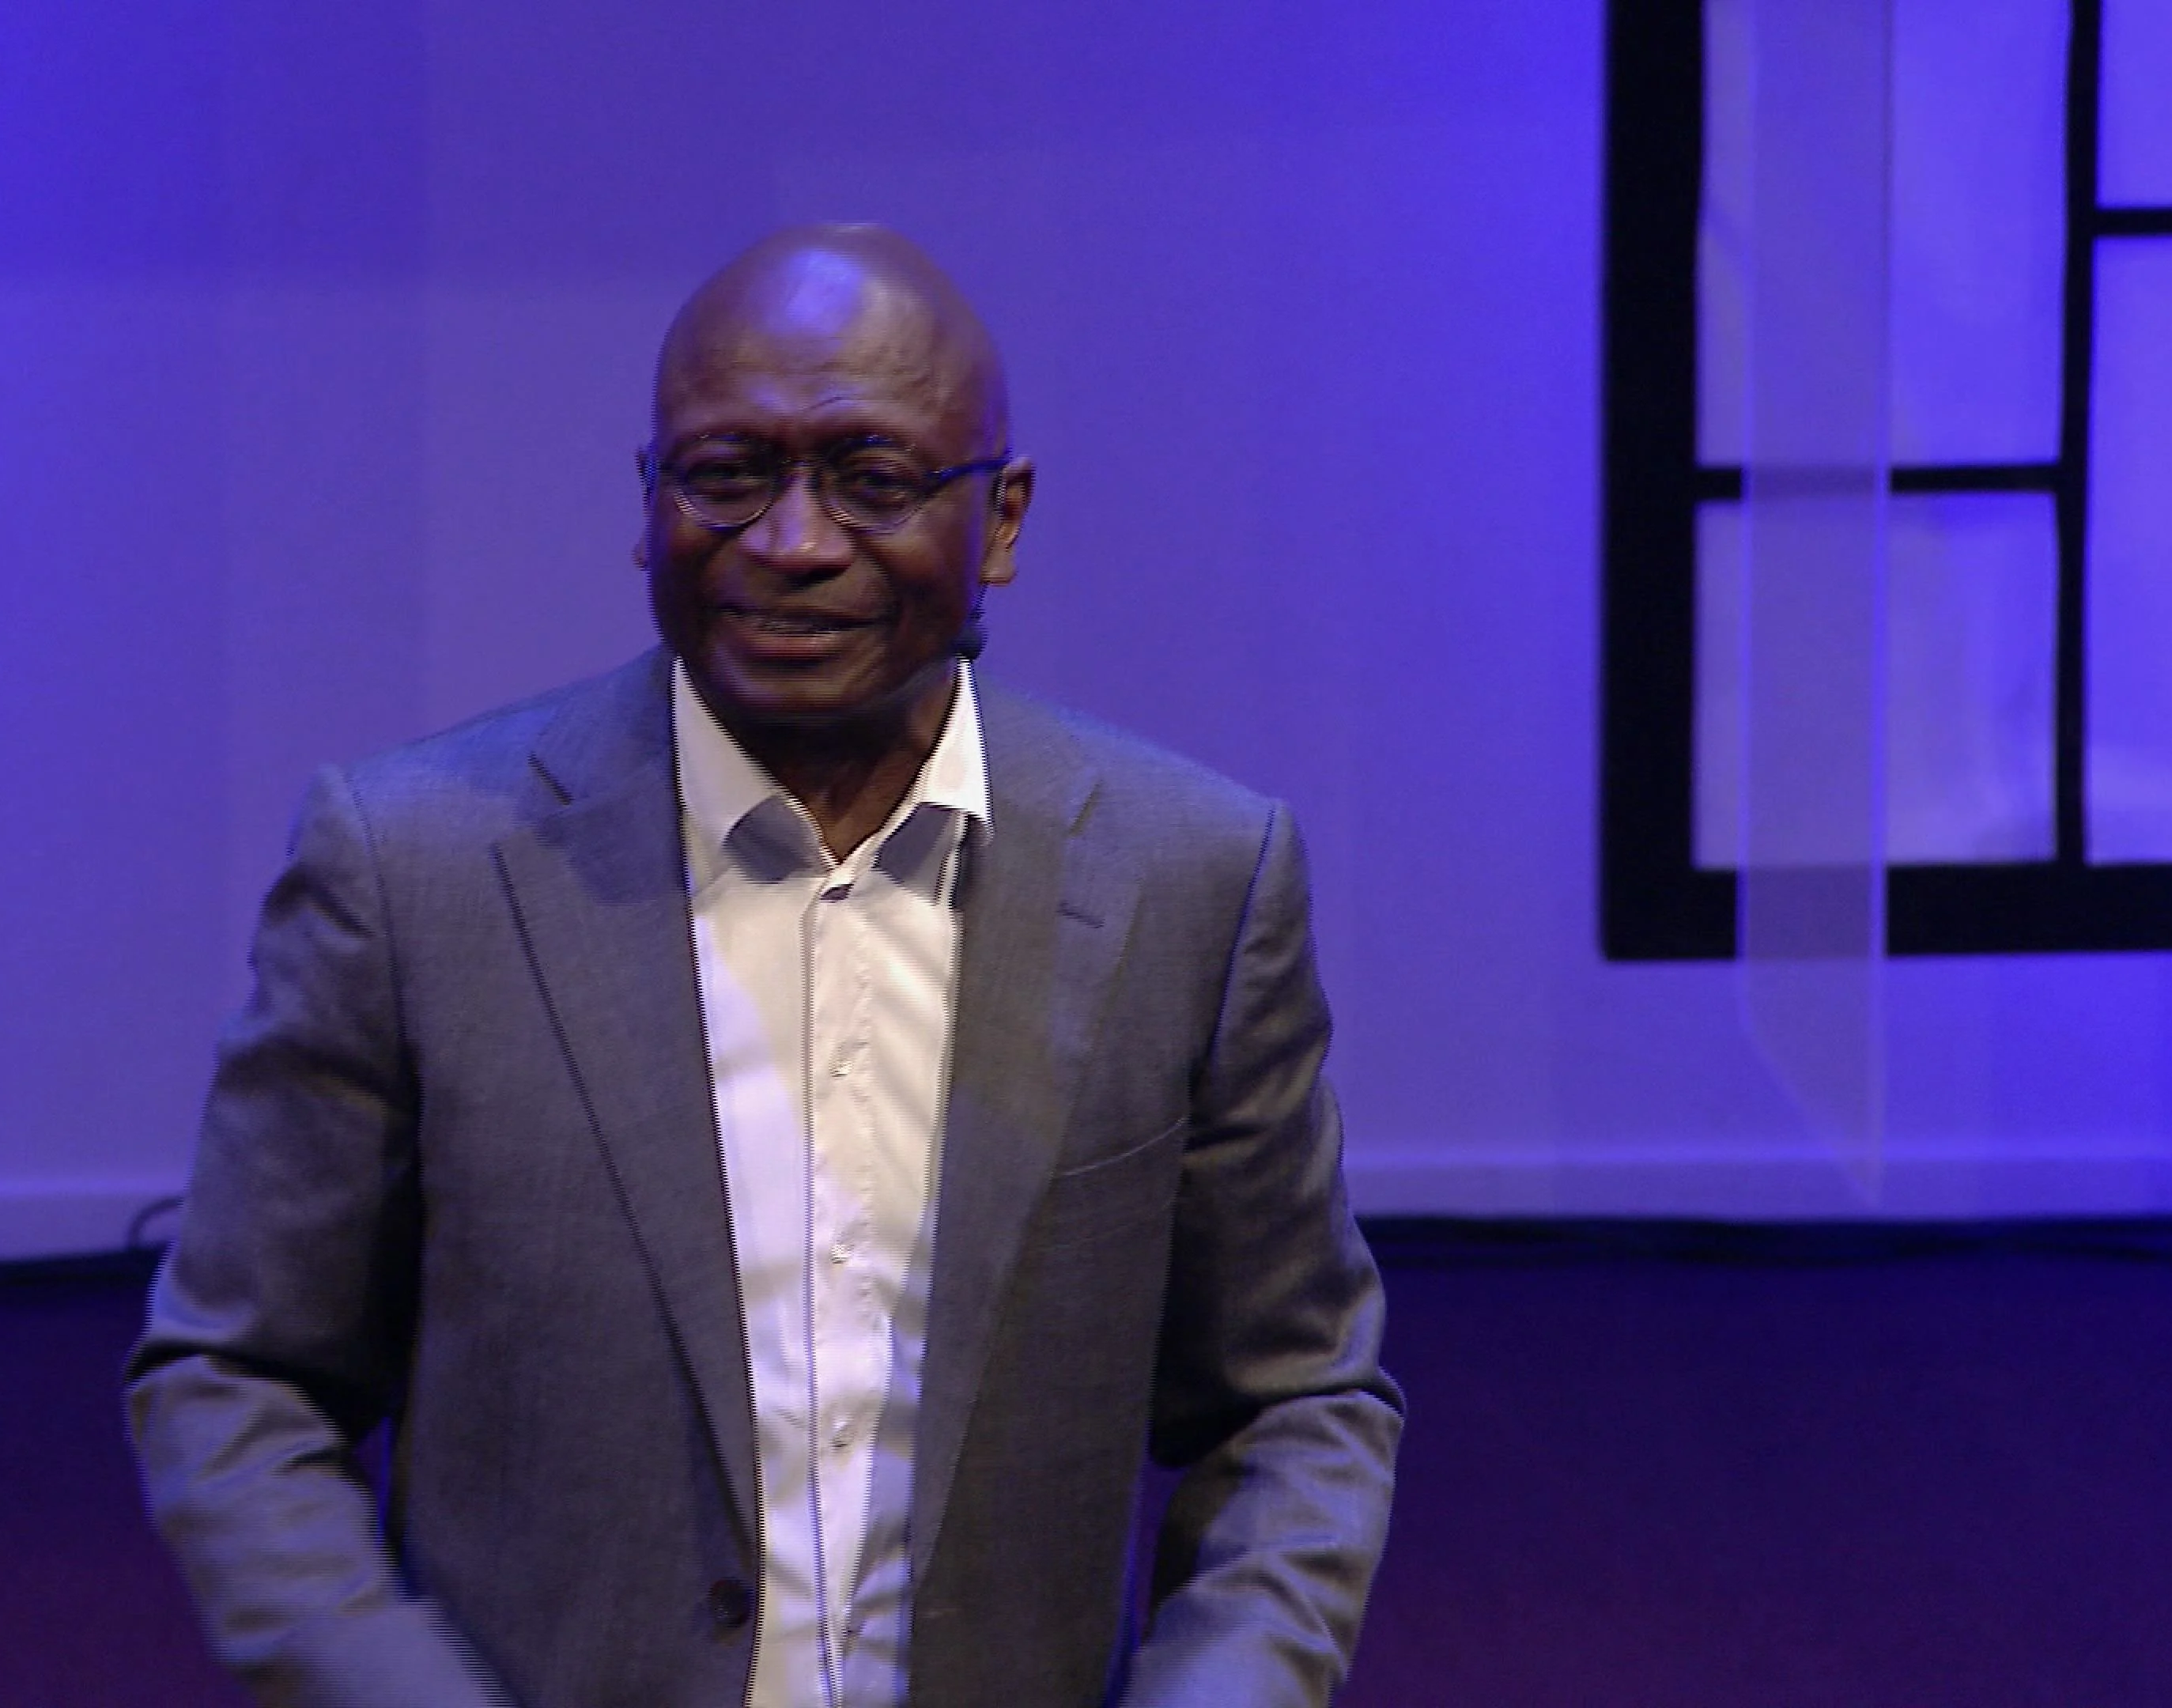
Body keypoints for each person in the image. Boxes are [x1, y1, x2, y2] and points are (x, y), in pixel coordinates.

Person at [127, 224, 1400, 1708]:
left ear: (1001, 521)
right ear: (648, 504)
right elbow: (237, 1383)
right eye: (727, 475)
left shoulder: (1192, 880)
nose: (794, 542)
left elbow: (1296, 1403)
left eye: (874, 479)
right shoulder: (413, 872)